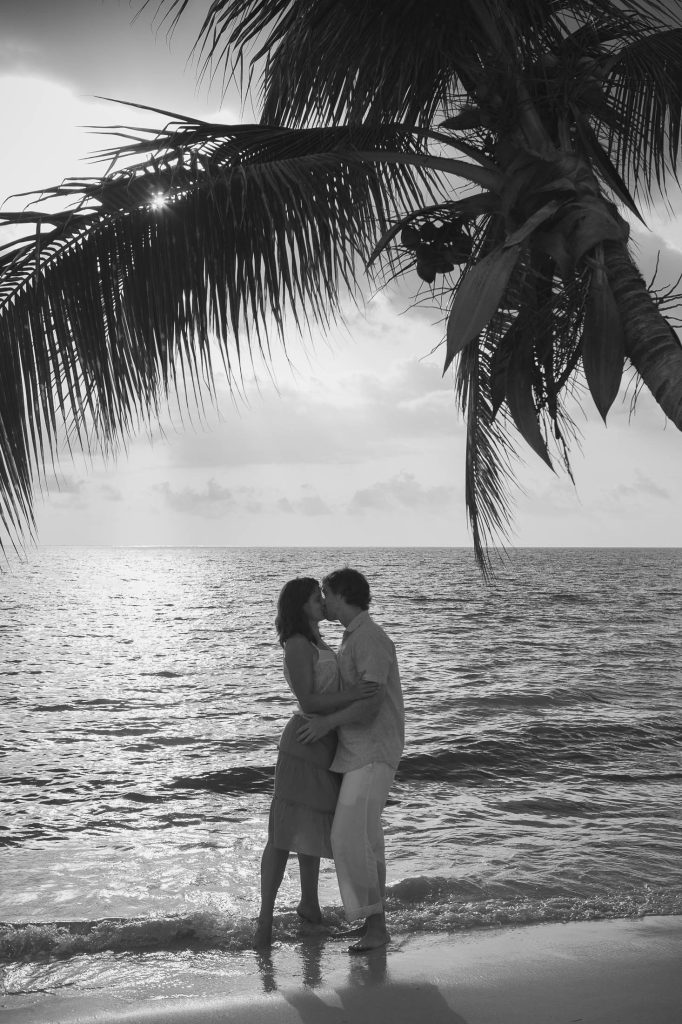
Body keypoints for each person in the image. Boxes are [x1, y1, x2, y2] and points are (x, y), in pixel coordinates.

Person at [254, 576, 379, 949]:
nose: (322, 602)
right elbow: (307, 701)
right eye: (315, 598)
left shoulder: (319, 640)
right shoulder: (296, 644)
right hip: (304, 742)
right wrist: (356, 693)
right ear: (301, 605)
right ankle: (264, 920)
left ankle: (310, 906)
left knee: (308, 830)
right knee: (282, 833)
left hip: (325, 743)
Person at [297, 568, 404, 953]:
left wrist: (327, 723)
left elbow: (373, 699)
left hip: (374, 750)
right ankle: (375, 925)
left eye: (325, 593)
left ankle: (375, 926)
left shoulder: (370, 637)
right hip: (359, 751)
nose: (322, 600)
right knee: (367, 840)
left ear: (342, 594)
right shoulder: (352, 637)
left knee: (347, 836)